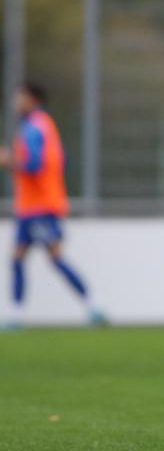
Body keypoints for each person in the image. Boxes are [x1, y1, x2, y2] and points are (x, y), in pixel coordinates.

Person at [0, 81, 105, 328]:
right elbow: (61, 162)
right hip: (34, 205)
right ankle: (16, 314)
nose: (16, 102)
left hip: (40, 206)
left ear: (33, 99)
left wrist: (8, 162)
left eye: (20, 97)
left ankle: (93, 305)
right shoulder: (45, 126)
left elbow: (34, 165)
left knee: (53, 257)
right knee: (18, 257)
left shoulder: (33, 129)